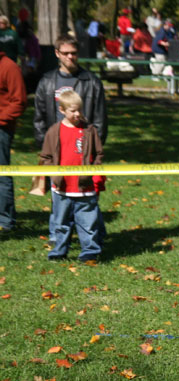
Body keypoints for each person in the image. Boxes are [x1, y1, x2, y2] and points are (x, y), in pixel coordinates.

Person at [33, 34, 107, 243]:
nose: (70, 57)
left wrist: (94, 149)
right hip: (57, 151)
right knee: (59, 195)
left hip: (83, 150)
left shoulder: (92, 82)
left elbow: (100, 120)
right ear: (57, 53)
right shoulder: (47, 81)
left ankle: (95, 234)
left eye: (73, 53)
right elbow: (38, 117)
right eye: (65, 53)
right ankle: (57, 237)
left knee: (87, 195)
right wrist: (45, 148)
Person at [39, 90, 104, 262]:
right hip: (61, 188)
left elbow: (99, 154)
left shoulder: (90, 131)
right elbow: (45, 157)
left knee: (88, 223)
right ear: (62, 110)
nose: (77, 114)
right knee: (60, 223)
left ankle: (90, 251)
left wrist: (94, 173)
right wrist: (53, 174)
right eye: (72, 111)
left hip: (84, 188)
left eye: (79, 110)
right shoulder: (54, 131)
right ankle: (59, 251)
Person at [0, 47, 26, 233]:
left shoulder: (9, 67)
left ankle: (5, 220)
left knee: (1, 174)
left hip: (2, 129)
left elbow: (19, 101)